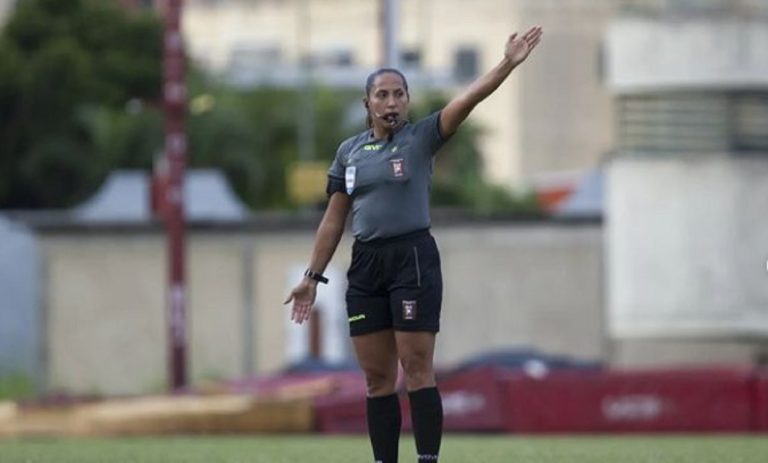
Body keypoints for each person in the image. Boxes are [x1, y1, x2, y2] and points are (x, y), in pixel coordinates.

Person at [285, 26, 543, 463]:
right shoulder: (349, 152)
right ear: (367, 103)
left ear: (407, 100)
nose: (391, 102)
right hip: (366, 265)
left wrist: (506, 64)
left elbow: (468, 99)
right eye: (382, 95)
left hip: (413, 260)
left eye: (399, 94)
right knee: (375, 378)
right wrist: (312, 277)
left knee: (417, 366)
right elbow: (333, 218)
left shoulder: (422, 136)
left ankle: (427, 460)